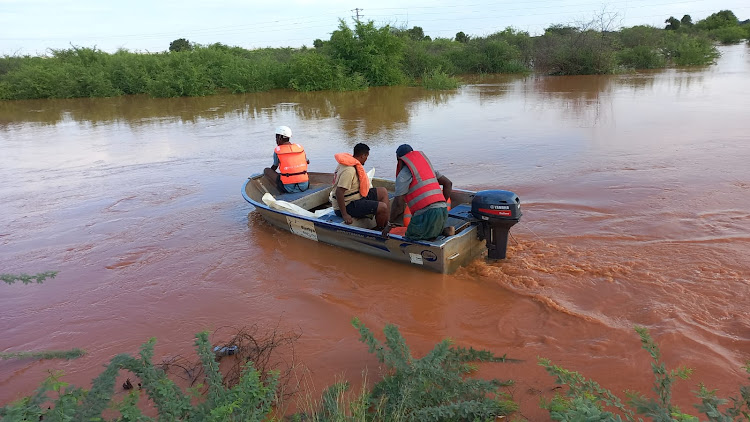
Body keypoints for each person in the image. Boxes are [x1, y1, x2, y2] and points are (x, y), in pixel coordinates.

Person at [382, 144, 453, 240]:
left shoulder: (403, 175)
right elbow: (448, 183)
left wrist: (389, 224)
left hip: (427, 214)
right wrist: (442, 203)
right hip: (443, 211)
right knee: (430, 232)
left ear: (400, 159)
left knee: (410, 237)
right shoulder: (428, 168)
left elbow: (398, 204)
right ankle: (445, 230)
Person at [330, 143, 390, 228]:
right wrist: (345, 215)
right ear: (362, 156)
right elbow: (339, 192)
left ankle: (386, 224)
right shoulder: (349, 170)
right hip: (348, 204)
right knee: (382, 207)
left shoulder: (351, 163)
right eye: (366, 156)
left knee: (383, 191)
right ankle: (380, 231)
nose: (366, 159)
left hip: (356, 196)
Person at [263, 125, 309, 193]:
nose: (276, 140)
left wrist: (271, 172)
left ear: (280, 138)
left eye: (276, 137)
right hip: (304, 186)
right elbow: (308, 161)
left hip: (288, 189)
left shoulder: (278, 151)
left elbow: (274, 167)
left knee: (267, 170)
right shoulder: (299, 148)